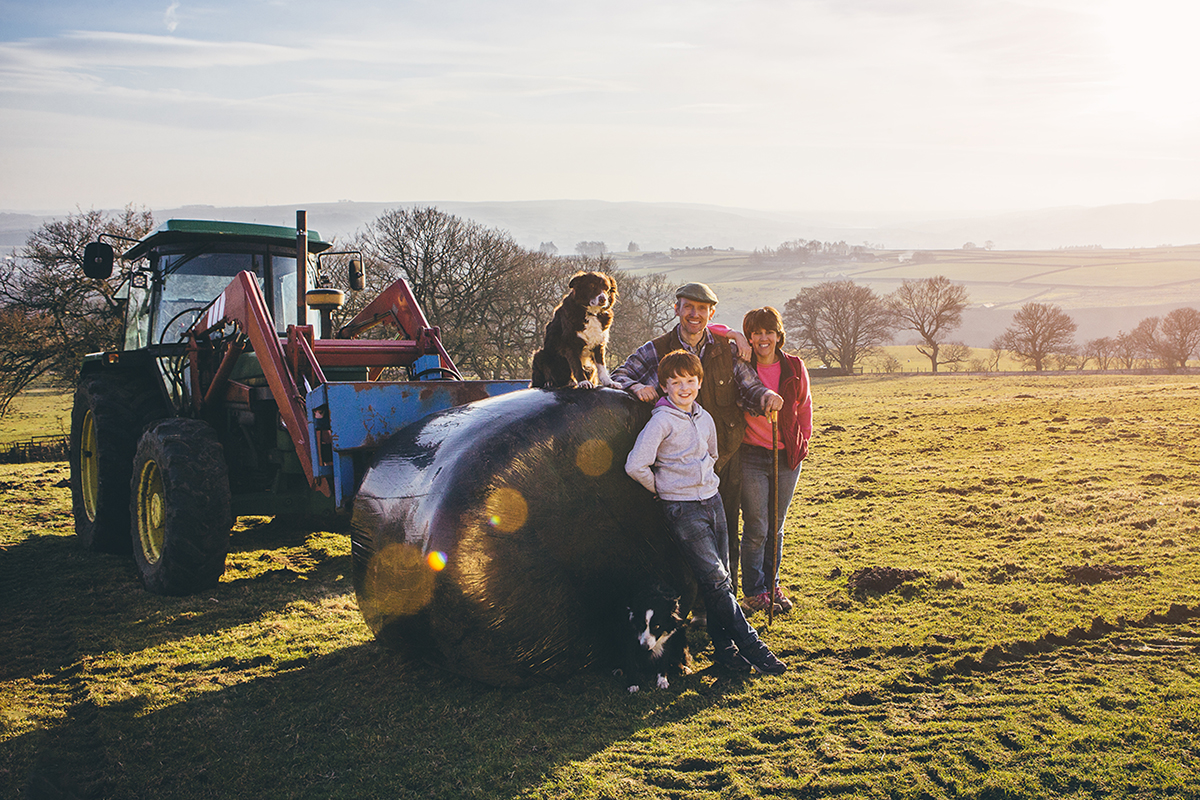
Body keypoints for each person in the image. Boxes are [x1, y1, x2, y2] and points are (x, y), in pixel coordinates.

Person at [624, 349, 787, 675]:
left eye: (690, 381)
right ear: (665, 385)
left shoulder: (704, 417)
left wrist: (704, 482)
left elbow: (711, 454)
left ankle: (725, 651)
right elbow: (635, 465)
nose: (684, 387)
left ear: (699, 382)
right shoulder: (661, 421)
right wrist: (664, 488)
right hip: (682, 510)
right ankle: (755, 649)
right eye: (676, 382)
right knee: (717, 581)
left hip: (712, 502)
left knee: (720, 581)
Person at [612, 282, 783, 593]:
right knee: (677, 534)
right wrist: (637, 388)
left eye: (701, 309)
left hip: (725, 458)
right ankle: (687, 601)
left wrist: (768, 397)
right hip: (676, 466)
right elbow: (618, 376)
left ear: (711, 313)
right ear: (676, 309)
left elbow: (750, 386)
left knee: (727, 530)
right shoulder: (656, 348)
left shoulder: (729, 349)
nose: (694, 314)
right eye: (688, 307)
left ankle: (723, 600)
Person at [736, 307, 812, 614]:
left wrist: (802, 440)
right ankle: (754, 592)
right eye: (756, 332)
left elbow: (804, 406)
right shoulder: (742, 367)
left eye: (769, 332)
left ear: (778, 336)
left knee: (776, 527)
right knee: (757, 526)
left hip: (787, 457)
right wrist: (732, 335)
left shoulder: (794, 366)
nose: (763, 338)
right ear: (749, 337)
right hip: (751, 456)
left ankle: (772, 586)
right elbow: (712, 329)